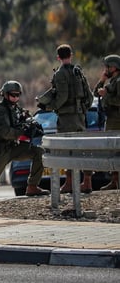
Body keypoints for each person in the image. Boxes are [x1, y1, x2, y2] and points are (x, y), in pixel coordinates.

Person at [0, 81, 50, 196]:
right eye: (12, 95)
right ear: (5, 94)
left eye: (17, 95)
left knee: (39, 152)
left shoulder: (16, 109)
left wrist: (32, 125)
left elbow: (24, 121)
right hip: (0, 152)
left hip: (13, 147)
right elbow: (5, 132)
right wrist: (23, 131)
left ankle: (32, 186)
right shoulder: (0, 111)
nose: (15, 98)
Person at [38, 44, 95, 193]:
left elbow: (62, 97)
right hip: (80, 117)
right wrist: (83, 109)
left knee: (68, 150)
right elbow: (89, 96)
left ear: (58, 57)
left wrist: (50, 107)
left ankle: (69, 182)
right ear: (71, 55)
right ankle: (87, 181)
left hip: (66, 118)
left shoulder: (60, 74)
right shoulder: (79, 72)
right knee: (83, 149)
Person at [93, 54, 120, 190]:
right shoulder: (113, 81)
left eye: (107, 67)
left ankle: (116, 180)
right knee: (112, 149)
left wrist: (107, 95)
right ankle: (115, 180)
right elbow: (95, 93)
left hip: (117, 120)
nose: (105, 69)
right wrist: (102, 80)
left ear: (114, 67)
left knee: (115, 149)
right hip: (111, 119)